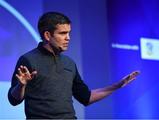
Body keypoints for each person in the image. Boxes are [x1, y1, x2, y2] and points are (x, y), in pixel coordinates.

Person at [8, 11, 140, 119]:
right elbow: (14, 100)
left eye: (69, 33)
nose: (68, 38)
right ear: (47, 35)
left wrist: (117, 86)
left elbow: (86, 97)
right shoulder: (28, 60)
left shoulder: (69, 63)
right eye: (63, 33)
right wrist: (21, 85)